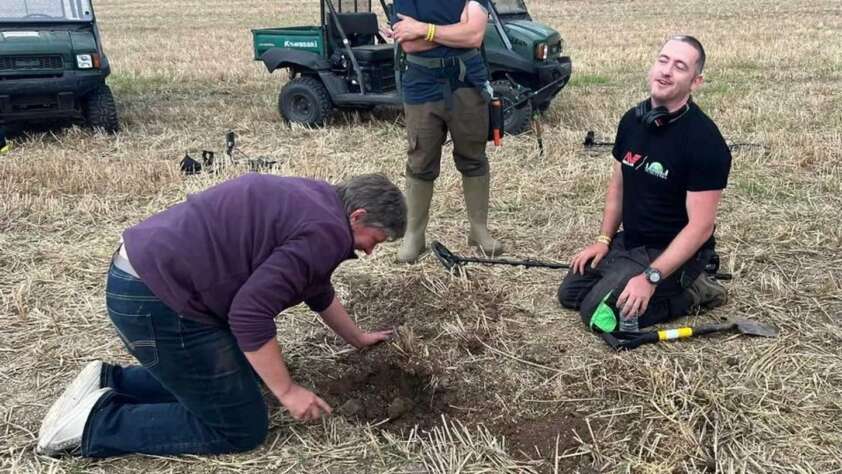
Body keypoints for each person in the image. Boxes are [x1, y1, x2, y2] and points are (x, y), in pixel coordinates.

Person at [36, 173, 407, 457]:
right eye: (374, 241)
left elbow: (315, 285)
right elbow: (249, 315)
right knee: (239, 427)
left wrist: (355, 337)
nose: (370, 252)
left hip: (142, 275)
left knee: (246, 374)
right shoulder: (327, 233)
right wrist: (288, 391)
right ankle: (95, 423)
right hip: (157, 300)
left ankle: (111, 381)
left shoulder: (317, 200)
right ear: (357, 216)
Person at [558, 35, 731, 333]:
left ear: (695, 81)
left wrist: (651, 277)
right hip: (633, 242)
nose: (666, 71)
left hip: (673, 252)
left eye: (679, 66)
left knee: (598, 317)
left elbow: (701, 227)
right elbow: (618, 186)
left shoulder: (705, 142)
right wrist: (603, 241)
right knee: (570, 294)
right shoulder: (632, 121)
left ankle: (694, 291)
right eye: (663, 61)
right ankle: (623, 274)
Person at [381, 0, 503, 263]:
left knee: (473, 156)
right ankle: (414, 235)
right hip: (421, 83)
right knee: (420, 158)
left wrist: (424, 29)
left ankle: (478, 230)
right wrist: (456, 30)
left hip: (468, 82)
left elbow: (474, 36)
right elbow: (409, 44)